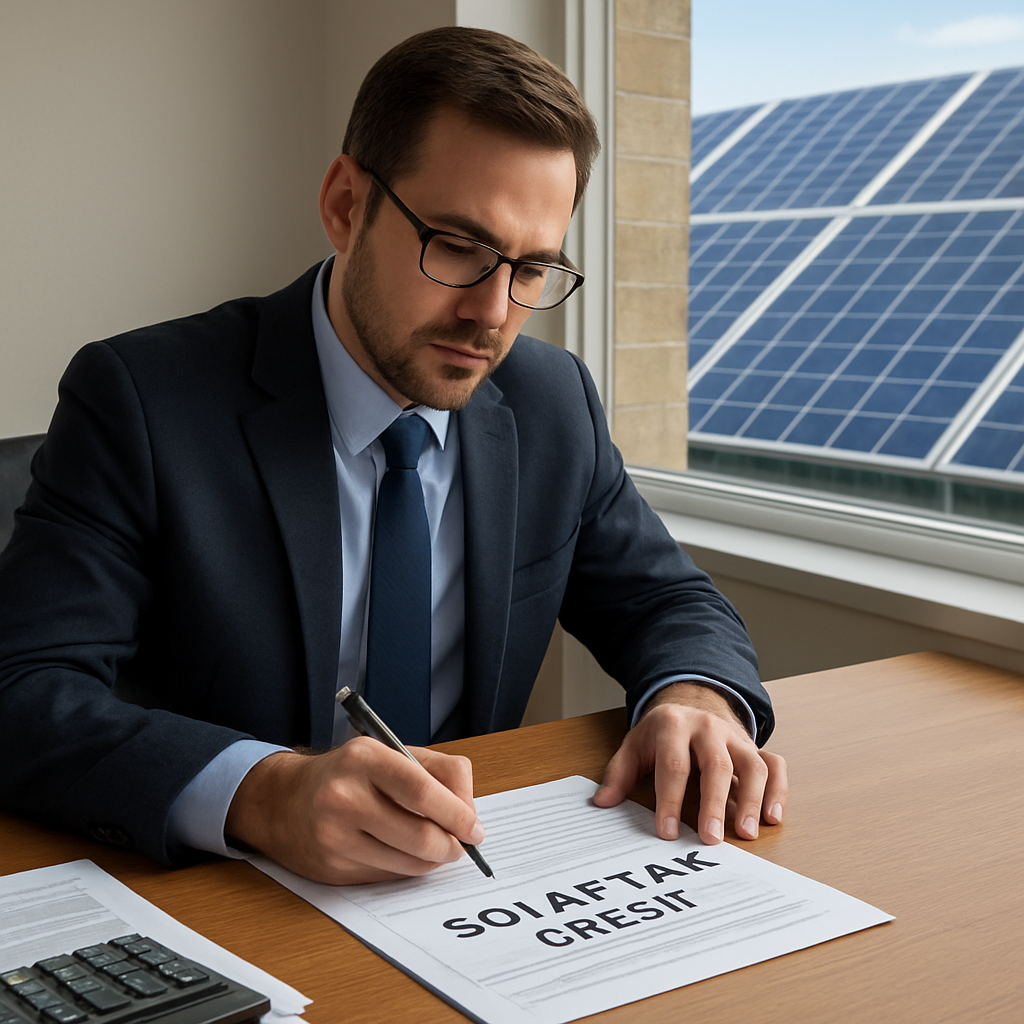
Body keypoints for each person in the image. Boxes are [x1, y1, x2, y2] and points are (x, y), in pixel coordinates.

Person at [0, 27, 786, 885]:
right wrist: (263, 794)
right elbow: (24, 688)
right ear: (345, 205)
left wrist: (695, 697)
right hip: (227, 898)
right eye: (458, 247)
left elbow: (666, 598)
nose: (493, 312)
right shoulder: (141, 398)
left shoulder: (551, 401)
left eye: (532, 268)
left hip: (462, 891)